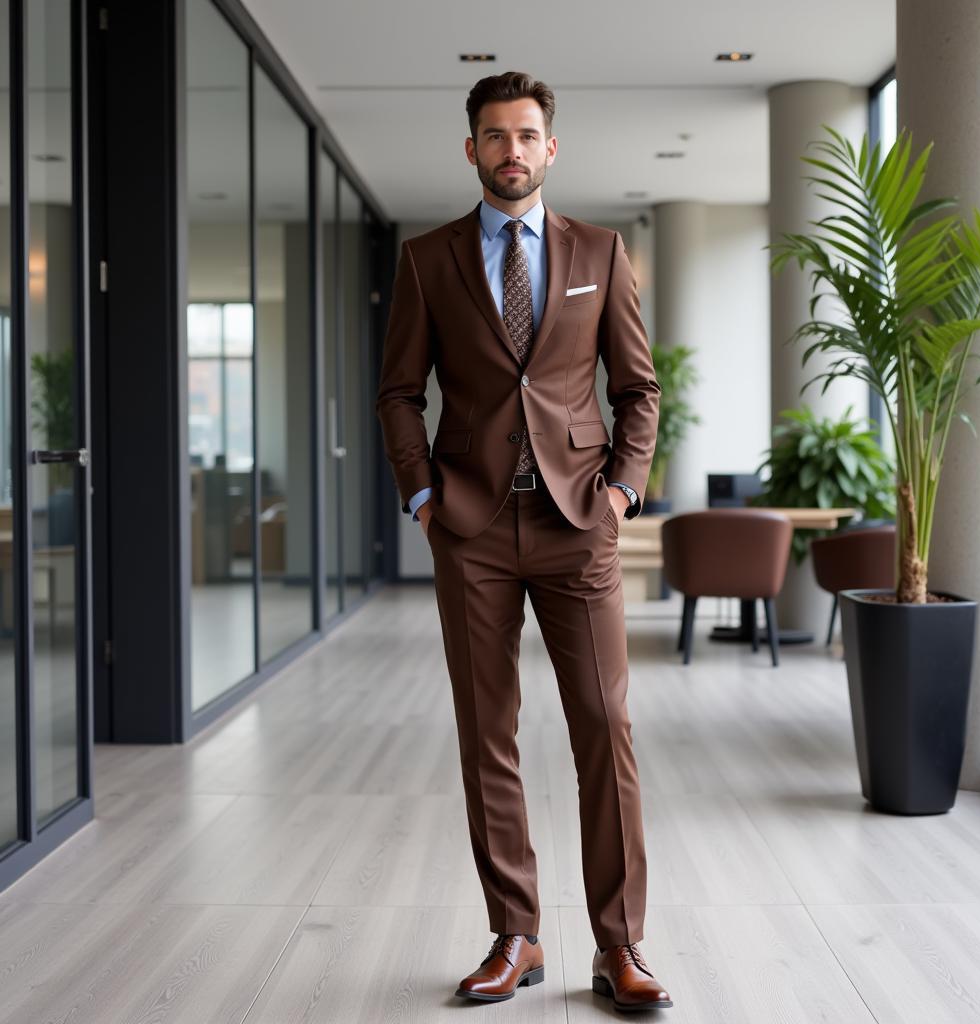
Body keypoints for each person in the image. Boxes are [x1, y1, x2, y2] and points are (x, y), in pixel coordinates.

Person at [375, 70, 670, 1012]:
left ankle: (619, 946)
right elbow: (397, 390)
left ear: (551, 147)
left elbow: (639, 389)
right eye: (494, 136)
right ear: (472, 150)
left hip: (578, 521)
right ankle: (518, 935)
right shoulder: (429, 259)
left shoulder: (601, 248)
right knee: (486, 736)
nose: (511, 151)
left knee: (606, 727)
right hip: (470, 526)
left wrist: (622, 488)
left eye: (527, 135)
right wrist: (422, 494)